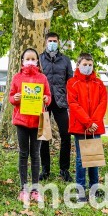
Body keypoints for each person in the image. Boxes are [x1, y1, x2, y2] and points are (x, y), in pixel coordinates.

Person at [8, 48, 51, 204]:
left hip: (37, 121)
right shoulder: (17, 77)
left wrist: (46, 99)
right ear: (22, 61)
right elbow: (11, 97)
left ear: (38, 61)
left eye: (33, 59)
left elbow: (49, 97)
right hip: (21, 121)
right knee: (23, 154)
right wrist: (15, 98)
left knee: (35, 154)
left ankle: (35, 189)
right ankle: (23, 188)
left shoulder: (42, 78)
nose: (30, 61)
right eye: (28, 58)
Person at [67, 53, 107, 202]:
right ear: (78, 65)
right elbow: (73, 104)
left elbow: (103, 102)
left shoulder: (99, 83)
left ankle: (94, 188)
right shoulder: (72, 83)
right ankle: (80, 189)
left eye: (90, 65)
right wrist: (88, 122)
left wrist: (94, 122)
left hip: (95, 126)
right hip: (80, 126)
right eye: (85, 64)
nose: (88, 67)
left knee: (94, 159)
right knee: (81, 158)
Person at [39, 32, 74, 182]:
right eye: (50, 41)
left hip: (60, 102)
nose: (52, 43)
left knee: (66, 135)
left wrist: (70, 101)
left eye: (54, 40)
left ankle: (64, 169)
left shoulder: (65, 60)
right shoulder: (39, 59)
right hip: (43, 102)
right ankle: (45, 169)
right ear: (46, 42)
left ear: (58, 42)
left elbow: (70, 81)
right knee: (43, 136)